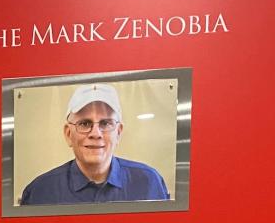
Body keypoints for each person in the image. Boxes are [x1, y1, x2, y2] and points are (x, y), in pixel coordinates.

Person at [20, 83, 169, 206]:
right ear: (68, 134)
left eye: (105, 123)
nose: (95, 133)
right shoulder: (40, 192)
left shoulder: (149, 183)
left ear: (118, 133)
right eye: (84, 123)